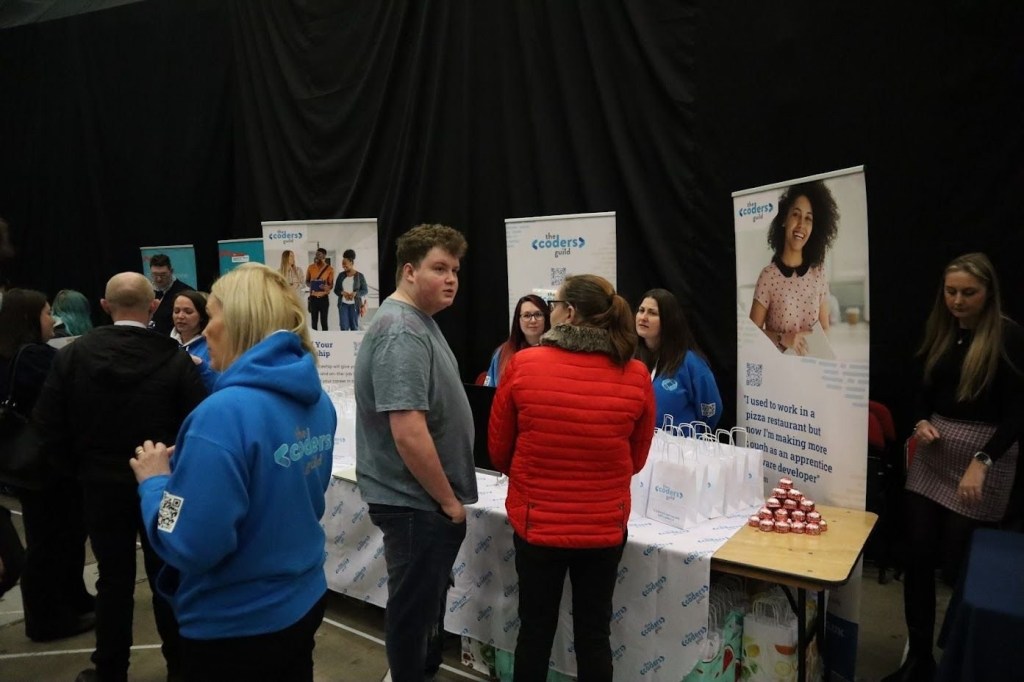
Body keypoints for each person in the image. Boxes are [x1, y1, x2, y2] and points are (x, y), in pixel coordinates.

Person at [131, 263, 336, 681]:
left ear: (242, 322)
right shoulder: (317, 401)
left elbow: (186, 542)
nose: (206, 330)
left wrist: (155, 483)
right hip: (303, 600)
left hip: (235, 624)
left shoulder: (221, 416)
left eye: (213, 316)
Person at [33, 272, 208, 682]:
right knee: (169, 574)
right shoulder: (176, 359)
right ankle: (181, 667)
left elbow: (47, 426)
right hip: (166, 490)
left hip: (100, 490)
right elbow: (198, 427)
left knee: (112, 580)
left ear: (105, 306)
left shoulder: (72, 356)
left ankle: (110, 670)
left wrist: (80, 471)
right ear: (154, 307)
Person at [489, 274, 656, 682]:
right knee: (594, 634)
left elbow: (498, 450)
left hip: (538, 525)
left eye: (554, 304)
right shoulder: (635, 374)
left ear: (569, 312)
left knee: (535, 631)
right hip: (603, 528)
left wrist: (535, 474)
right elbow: (636, 459)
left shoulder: (524, 365)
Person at [883, 253, 1024, 682]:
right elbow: (921, 389)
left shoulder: (1009, 337)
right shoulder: (942, 331)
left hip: (985, 455)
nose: (958, 301)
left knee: (958, 561)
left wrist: (983, 461)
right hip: (935, 453)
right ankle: (918, 658)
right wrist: (920, 422)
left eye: (968, 293)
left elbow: (1018, 413)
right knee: (917, 555)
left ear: (988, 293)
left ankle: (960, 659)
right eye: (951, 292)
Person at [354, 224, 476, 682]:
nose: (451, 279)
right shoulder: (401, 329)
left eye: (455, 270)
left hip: (422, 502)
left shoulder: (417, 322)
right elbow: (408, 430)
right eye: (439, 268)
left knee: (424, 611)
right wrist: (448, 501)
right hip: (415, 502)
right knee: (413, 615)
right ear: (409, 271)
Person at [0, 289, 94, 642]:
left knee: (58, 538)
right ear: (29, 319)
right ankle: (49, 619)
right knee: (52, 542)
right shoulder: (35, 358)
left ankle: (73, 601)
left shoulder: (10, 355)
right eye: (45, 313)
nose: (52, 320)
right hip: (48, 464)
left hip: (28, 466)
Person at [749, 180, 839, 355]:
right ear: (784, 219)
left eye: (808, 218)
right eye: (796, 215)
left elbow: (825, 328)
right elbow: (752, 335)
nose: (801, 225)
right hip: (779, 367)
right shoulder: (768, 276)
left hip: (813, 365)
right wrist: (781, 338)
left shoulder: (819, 273)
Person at [635, 288, 722, 429]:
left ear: (668, 320)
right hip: (641, 440)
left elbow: (711, 410)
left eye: (652, 313)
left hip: (680, 441)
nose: (643, 317)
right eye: (641, 310)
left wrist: (694, 435)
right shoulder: (631, 358)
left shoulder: (690, 363)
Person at [483, 293, 551, 387]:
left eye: (538, 314)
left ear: (546, 318)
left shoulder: (554, 352)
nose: (533, 320)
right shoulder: (502, 353)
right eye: (527, 315)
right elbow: (489, 390)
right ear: (518, 320)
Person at [170, 290, 218, 391]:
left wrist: (200, 365)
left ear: (201, 316)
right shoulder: (166, 343)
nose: (180, 316)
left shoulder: (213, 345)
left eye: (188, 312)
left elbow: (219, 384)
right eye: (176, 311)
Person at [149, 254, 195, 336]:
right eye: (155, 275)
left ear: (171, 271)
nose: (159, 279)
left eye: (163, 275)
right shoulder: (147, 291)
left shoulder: (186, 292)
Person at [334, 248, 368, 331]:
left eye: (345, 264)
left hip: (355, 305)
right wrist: (342, 293)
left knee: (354, 327)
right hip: (343, 305)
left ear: (351, 262)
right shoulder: (341, 275)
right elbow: (336, 290)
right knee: (343, 327)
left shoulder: (360, 276)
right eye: (342, 264)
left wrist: (356, 293)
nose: (343, 266)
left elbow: (365, 290)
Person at [305, 247, 334, 331]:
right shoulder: (310, 267)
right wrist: (312, 285)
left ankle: (326, 339)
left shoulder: (330, 269)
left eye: (319, 254)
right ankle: (315, 339)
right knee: (314, 322)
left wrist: (327, 287)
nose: (316, 256)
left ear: (324, 256)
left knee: (324, 322)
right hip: (313, 298)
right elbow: (307, 281)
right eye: (316, 254)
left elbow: (331, 284)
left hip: (324, 299)